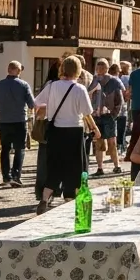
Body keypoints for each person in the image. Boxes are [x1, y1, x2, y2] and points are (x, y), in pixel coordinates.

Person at [34, 55, 96, 214]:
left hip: (55, 130)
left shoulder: (51, 85)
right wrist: (94, 128)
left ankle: (44, 198)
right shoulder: (79, 88)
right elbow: (87, 112)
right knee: (75, 169)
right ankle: (73, 204)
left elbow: (37, 103)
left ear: (62, 69)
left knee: (54, 166)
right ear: (78, 70)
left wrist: (48, 111)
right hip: (74, 131)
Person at [0, 61, 35, 188]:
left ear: (8, 69)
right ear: (19, 71)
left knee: (5, 148)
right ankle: (16, 176)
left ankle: (6, 176)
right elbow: (32, 104)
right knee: (19, 148)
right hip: (19, 120)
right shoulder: (24, 85)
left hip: (3, 121)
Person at [91, 59, 123, 175]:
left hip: (109, 116)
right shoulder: (93, 81)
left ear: (107, 68)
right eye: (98, 68)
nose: (100, 70)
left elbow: (119, 101)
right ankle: (100, 168)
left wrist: (114, 115)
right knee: (99, 143)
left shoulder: (114, 81)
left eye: (102, 67)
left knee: (112, 142)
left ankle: (117, 166)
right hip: (97, 115)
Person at [102, 63, 128, 161]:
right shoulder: (118, 80)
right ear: (118, 71)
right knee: (119, 134)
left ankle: (110, 152)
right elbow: (124, 92)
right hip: (120, 111)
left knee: (109, 134)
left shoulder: (105, 80)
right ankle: (118, 153)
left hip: (109, 111)